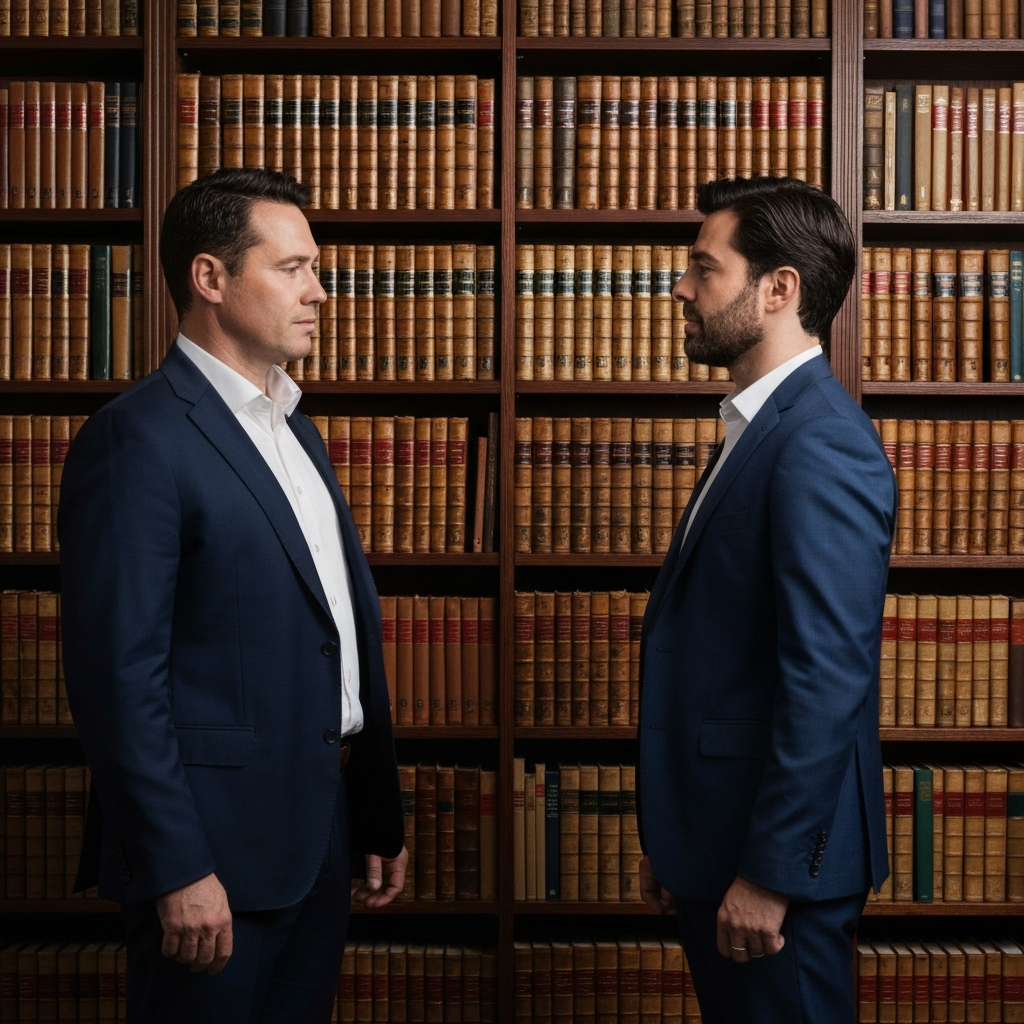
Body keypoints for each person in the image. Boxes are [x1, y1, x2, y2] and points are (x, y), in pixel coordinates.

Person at [58, 168, 407, 1023]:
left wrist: (376, 814)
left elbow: (333, 630)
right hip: (210, 853)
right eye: (292, 268)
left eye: (315, 269)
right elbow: (117, 677)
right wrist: (176, 865)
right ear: (210, 279)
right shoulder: (136, 439)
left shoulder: (294, 428)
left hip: (317, 830)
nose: (319, 292)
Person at [636, 176, 896, 1023]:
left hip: (774, 874)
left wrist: (769, 872)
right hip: (722, 849)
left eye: (703, 269)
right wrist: (681, 837)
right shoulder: (763, 429)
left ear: (779, 289)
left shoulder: (818, 443)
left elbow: (826, 678)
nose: (679, 288)